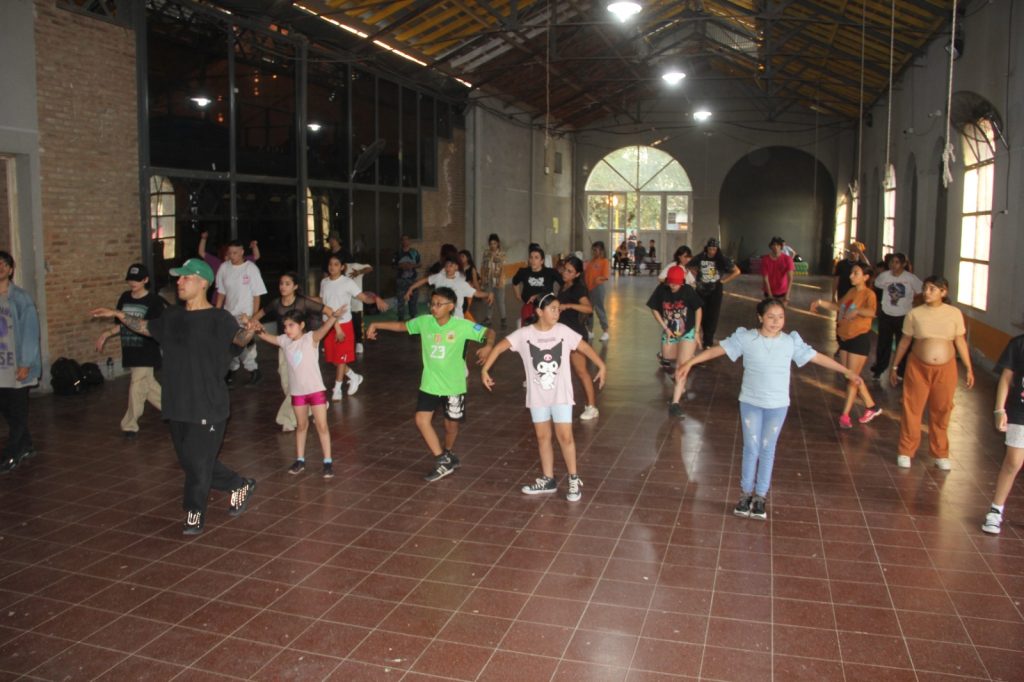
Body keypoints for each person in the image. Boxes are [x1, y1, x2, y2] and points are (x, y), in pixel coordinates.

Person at [91, 258, 256, 535]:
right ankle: (240, 485)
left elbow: (238, 340)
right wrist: (120, 316)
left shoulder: (219, 318)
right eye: (178, 278)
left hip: (209, 404)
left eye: (185, 277)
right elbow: (146, 327)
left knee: (198, 464)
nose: (178, 282)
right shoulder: (172, 317)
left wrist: (250, 331)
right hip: (178, 403)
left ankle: (194, 512)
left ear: (203, 282)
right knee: (192, 461)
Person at [675, 298, 861, 520]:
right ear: (760, 317)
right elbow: (719, 350)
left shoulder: (790, 342)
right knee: (751, 447)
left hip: (777, 405)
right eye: (771, 317)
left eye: (780, 317)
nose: (776, 322)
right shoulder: (746, 338)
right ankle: (745, 494)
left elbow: (817, 357)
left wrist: (846, 371)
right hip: (751, 402)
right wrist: (689, 363)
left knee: (767, 448)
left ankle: (760, 496)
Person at [480, 294, 606, 501]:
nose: (557, 312)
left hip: (561, 395)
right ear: (540, 312)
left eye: (558, 309)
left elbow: (583, 346)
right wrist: (486, 369)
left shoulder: (563, 331)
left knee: (565, 437)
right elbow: (501, 346)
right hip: (538, 396)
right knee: (542, 437)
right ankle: (548, 479)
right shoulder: (525, 334)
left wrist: (601, 365)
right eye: (553, 309)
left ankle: (573, 478)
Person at [367, 287, 495, 482]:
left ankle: (448, 453)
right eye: (432, 304)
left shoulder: (462, 325)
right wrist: (376, 324)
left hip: (454, 385)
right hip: (430, 383)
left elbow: (489, 331)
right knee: (421, 420)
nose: (434, 308)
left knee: (451, 425)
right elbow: (402, 326)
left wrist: (488, 345)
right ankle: (442, 460)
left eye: (439, 304)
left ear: (451, 307)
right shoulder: (424, 322)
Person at [890, 276, 974, 470]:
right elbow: (904, 341)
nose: (926, 292)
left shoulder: (954, 313)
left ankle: (940, 453)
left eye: (932, 289)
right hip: (917, 367)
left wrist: (969, 367)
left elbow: (960, 341)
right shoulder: (914, 314)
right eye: (925, 288)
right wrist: (895, 366)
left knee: (942, 410)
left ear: (943, 292)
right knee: (912, 408)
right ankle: (906, 450)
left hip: (946, 369)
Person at [251, 307, 346, 478]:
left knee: (322, 426)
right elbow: (265, 336)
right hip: (298, 394)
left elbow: (324, 330)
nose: (287, 329)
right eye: (285, 326)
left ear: (301, 325)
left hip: (316, 391)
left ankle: (327, 461)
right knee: (301, 426)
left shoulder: (310, 338)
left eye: (291, 325)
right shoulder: (284, 341)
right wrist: (256, 327)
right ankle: (300, 460)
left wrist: (333, 317)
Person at [94, 263, 167, 437]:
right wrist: (107, 333)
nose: (133, 283)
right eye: (130, 280)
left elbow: (153, 328)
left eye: (137, 280)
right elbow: (123, 324)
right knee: (147, 387)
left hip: (147, 351)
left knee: (136, 386)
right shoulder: (125, 297)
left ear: (146, 280)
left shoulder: (154, 301)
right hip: (130, 349)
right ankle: (176, 410)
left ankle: (129, 424)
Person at [252, 273, 331, 432]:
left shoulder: (302, 302)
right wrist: (251, 323)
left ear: (295, 287)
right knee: (287, 383)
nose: (283, 286)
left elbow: (328, 310)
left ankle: (288, 419)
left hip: (304, 347)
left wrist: (337, 326)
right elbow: (258, 315)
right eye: (281, 283)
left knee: (297, 385)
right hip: (285, 346)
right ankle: (316, 405)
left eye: (287, 284)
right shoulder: (276, 303)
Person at [810, 263, 883, 428]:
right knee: (849, 375)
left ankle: (845, 415)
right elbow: (837, 306)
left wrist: (857, 312)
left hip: (859, 338)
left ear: (866, 277)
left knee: (851, 377)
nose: (851, 276)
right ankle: (871, 406)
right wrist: (820, 302)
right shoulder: (851, 291)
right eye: (851, 273)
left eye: (856, 273)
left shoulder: (868, 294)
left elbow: (873, 312)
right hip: (845, 338)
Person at [320, 254, 388, 401]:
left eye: (336, 264)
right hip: (327, 325)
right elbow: (322, 301)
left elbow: (363, 297)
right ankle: (353, 376)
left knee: (340, 359)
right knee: (332, 359)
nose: (332, 267)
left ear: (342, 267)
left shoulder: (347, 282)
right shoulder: (324, 282)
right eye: (330, 264)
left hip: (343, 324)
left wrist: (375, 298)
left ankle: (337, 388)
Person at [0, 252, 40, 474]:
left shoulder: (21, 298)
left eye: (4, 264)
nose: (0, 267)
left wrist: (25, 363)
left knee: (17, 412)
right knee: (7, 410)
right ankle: (26, 445)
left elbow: (30, 333)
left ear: (11, 270)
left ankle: (11, 455)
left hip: (15, 366)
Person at [982, 333, 1024, 534]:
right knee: (1013, 461)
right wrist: (1000, 409)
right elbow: (1006, 377)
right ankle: (995, 511)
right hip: (1020, 411)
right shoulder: (1018, 344)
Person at [215, 240, 267, 385]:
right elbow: (221, 292)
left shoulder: (251, 269)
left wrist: (253, 317)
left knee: (246, 344)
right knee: (229, 343)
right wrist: (217, 312)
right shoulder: (224, 268)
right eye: (230, 253)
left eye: (235, 253)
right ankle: (231, 370)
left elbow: (257, 295)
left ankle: (253, 370)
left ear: (242, 252)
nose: (232, 256)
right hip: (228, 314)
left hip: (246, 315)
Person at [556, 255, 600, 421]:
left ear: (576, 274)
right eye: (565, 269)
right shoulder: (564, 286)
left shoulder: (578, 289)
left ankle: (592, 406)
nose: (565, 273)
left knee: (581, 371)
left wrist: (569, 305)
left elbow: (589, 309)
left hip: (575, 335)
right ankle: (559, 402)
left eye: (570, 271)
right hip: (562, 334)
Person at [870, 253, 922, 380]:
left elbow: (921, 291)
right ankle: (879, 369)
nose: (893, 265)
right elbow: (876, 286)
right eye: (892, 262)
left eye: (897, 262)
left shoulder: (910, 278)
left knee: (902, 343)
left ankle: (901, 371)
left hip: (903, 316)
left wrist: (911, 300)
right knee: (883, 343)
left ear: (904, 264)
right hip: (886, 314)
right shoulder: (884, 276)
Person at [405, 258, 493, 319]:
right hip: (439, 316)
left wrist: (488, 294)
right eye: (446, 266)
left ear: (456, 267)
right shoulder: (439, 277)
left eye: (451, 265)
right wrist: (411, 288)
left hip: (456, 319)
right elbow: (424, 280)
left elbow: (476, 293)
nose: (448, 268)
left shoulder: (461, 283)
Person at [693, 238, 740, 348]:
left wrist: (723, 281)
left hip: (715, 290)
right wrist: (698, 277)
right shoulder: (701, 258)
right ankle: (699, 336)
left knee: (713, 314)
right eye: (710, 248)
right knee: (700, 312)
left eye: (714, 249)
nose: (712, 251)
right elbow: (690, 266)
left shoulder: (722, 259)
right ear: (707, 248)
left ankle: (708, 340)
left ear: (717, 249)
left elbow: (737, 271)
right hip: (701, 289)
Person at [198, 231, 260, 304]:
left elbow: (256, 256)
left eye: (234, 253)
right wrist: (203, 238)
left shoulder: (241, 262)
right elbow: (201, 252)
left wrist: (254, 246)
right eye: (228, 254)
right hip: (219, 301)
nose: (231, 256)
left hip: (237, 301)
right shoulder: (218, 263)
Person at [512, 245, 560, 327]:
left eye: (536, 258)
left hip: (546, 307)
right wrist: (518, 295)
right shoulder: (523, 272)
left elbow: (565, 283)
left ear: (542, 261)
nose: (533, 260)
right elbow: (515, 282)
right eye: (531, 257)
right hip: (529, 308)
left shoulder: (550, 272)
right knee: (528, 330)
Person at [345, 260, 373, 354]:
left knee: (357, 323)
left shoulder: (354, 266)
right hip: (343, 304)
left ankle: (359, 343)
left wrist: (359, 272)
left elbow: (370, 268)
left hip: (356, 303)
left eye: (337, 263)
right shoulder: (336, 273)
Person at [585, 242, 611, 341]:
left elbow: (605, 276)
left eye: (596, 250)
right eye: (593, 250)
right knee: (589, 310)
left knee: (599, 310)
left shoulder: (604, 261)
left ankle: (606, 331)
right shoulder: (591, 262)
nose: (594, 252)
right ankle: (590, 331)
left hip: (598, 289)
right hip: (589, 289)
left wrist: (598, 279)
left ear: (601, 251)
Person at [480, 233, 507, 329]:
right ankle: (488, 318)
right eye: (491, 243)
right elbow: (483, 266)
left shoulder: (502, 254)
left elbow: (503, 268)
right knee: (489, 300)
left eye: (494, 243)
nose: (492, 246)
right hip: (488, 281)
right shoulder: (486, 253)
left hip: (499, 281)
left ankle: (503, 319)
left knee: (500, 301)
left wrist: (500, 280)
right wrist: (482, 278)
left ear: (498, 243)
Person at [393, 235, 421, 322]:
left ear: (409, 241)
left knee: (413, 300)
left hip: (413, 280)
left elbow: (420, 264)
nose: (405, 241)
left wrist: (411, 265)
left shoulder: (414, 252)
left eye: (407, 239)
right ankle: (401, 319)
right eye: (403, 240)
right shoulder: (397, 253)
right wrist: (401, 266)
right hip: (401, 280)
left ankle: (413, 318)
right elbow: (393, 266)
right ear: (401, 242)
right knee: (400, 301)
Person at [761, 237, 795, 303]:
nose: (776, 247)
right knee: (769, 310)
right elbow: (765, 278)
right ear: (771, 246)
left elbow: (790, 278)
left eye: (778, 245)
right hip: (768, 290)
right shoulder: (765, 259)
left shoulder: (787, 259)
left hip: (783, 291)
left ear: (781, 247)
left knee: (781, 311)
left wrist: (787, 294)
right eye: (774, 245)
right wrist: (770, 295)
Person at [458, 250, 482, 319]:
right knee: (461, 308)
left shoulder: (472, 269)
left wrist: (479, 293)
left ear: (468, 258)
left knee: (465, 309)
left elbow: (475, 282)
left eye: (463, 256)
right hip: (460, 291)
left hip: (468, 292)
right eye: (460, 257)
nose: (461, 258)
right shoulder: (458, 268)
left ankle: (471, 324)